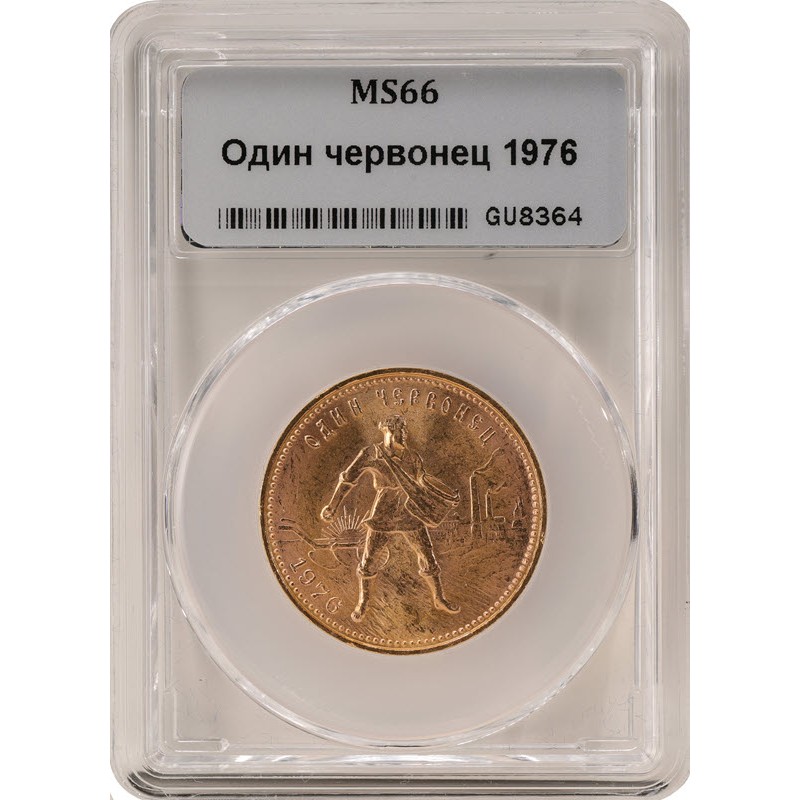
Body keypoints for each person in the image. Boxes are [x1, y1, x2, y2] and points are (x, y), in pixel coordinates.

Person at [321, 415, 460, 622]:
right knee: (369, 559)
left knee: (427, 556)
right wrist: (333, 506)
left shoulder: (412, 457)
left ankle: (439, 598)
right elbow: (348, 479)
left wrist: (444, 497)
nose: (404, 435)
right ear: (389, 430)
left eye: (405, 431)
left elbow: (422, 483)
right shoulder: (371, 454)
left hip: (410, 513)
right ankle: (363, 602)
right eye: (401, 431)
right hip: (383, 515)